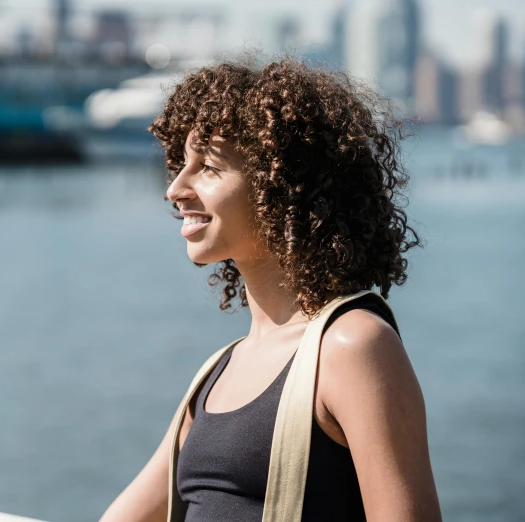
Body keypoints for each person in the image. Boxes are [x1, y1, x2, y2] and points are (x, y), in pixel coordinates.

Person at [99, 57, 442, 522]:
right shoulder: (219, 369)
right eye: (182, 164)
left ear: (281, 186)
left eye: (208, 167)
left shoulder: (353, 346)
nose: (175, 189)